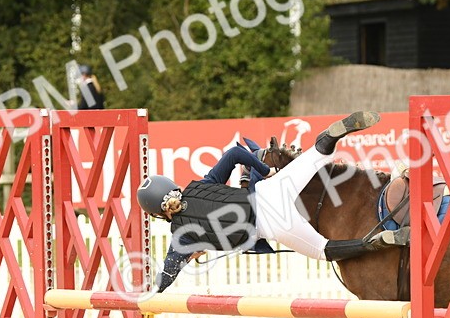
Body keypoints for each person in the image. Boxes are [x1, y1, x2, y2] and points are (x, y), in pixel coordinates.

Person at [138, 111, 409, 292]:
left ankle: (373, 242)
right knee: (315, 156)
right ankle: (328, 139)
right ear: (172, 186)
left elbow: (166, 277)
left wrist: (150, 289)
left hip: (274, 224)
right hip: (269, 190)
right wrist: (265, 171)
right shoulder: (199, 186)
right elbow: (234, 153)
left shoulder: (180, 237)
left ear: (159, 214)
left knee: (324, 250)